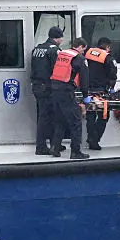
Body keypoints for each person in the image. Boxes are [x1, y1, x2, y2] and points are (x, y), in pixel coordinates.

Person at [49, 37, 90, 160]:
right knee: (76, 121)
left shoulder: (62, 54)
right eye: (83, 50)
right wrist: (85, 96)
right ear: (81, 47)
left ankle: (55, 147)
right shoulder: (79, 58)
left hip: (54, 90)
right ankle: (76, 152)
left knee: (60, 120)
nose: (83, 52)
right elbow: (84, 79)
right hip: (66, 92)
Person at [30, 26, 63, 155]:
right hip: (48, 87)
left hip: (37, 85)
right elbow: (58, 70)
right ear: (57, 38)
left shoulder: (37, 49)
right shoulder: (54, 50)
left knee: (44, 116)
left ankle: (52, 144)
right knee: (48, 118)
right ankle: (43, 146)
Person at [84, 37, 117, 150]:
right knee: (103, 116)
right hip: (101, 91)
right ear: (107, 46)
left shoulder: (88, 52)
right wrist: (111, 88)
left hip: (87, 90)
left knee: (90, 116)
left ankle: (90, 137)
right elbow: (112, 75)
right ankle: (95, 140)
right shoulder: (107, 57)